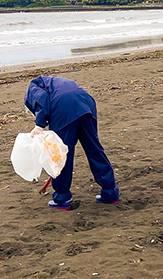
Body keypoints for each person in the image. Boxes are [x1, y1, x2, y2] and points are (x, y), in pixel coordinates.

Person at [24, 76, 119, 210]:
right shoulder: (53, 82)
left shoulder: (32, 87)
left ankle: (62, 197)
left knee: (60, 155)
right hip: (86, 103)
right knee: (94, 148)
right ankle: (110, 192)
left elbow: (42, 100)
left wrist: (39, 125)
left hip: (63, 107)